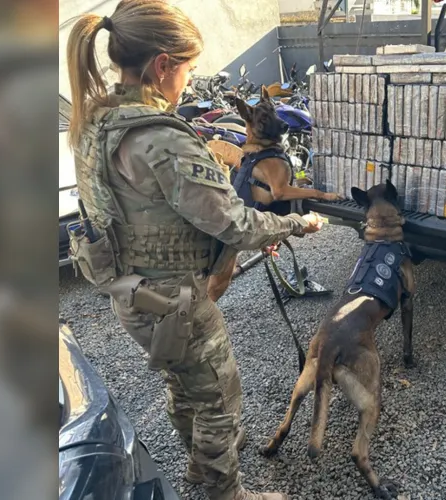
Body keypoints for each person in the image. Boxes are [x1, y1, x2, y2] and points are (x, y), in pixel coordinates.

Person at [65, 2, 322, 499]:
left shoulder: (96, 120)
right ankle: (225, 491)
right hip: (174, 302)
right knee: (219, 400)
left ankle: (202, 462)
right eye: (187, 68)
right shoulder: (158, 137)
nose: (188, 79)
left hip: (132, 295)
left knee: (185, 385)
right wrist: (295, 224)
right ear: (162, 66)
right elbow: (235, 222)